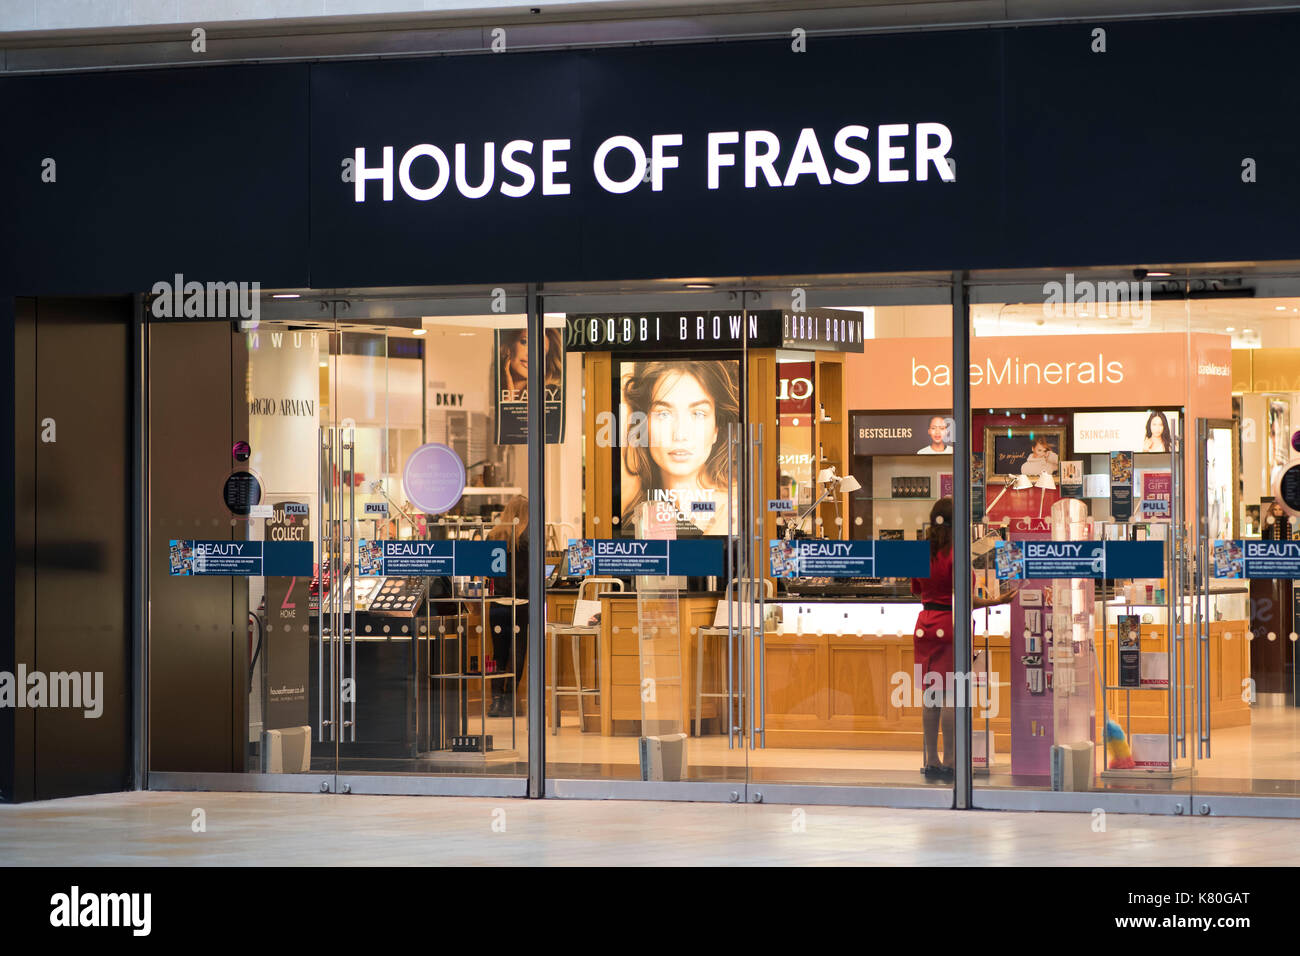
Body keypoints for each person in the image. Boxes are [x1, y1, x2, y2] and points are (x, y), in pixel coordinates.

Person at [909, 497, 1015, 782]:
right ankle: (952, 759)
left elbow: (915, 590)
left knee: (931, 696)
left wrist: (934, 596)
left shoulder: (924, 552)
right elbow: (964, 599)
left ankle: (930, 758)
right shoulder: (957, 554)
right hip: (950, 624)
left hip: (925, 625)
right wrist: (998, 600)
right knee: (951, 697)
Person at [620, 361, 740, 534]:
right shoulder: (640, 519)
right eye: (664, 414)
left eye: (698, 413)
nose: (680, 434)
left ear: (716, 429)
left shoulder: (738, 511)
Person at [487, 495, 530, 718]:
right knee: (519, 651)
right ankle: (512, 700)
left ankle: (496, 701)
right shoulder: (530, 538)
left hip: (497, 603)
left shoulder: (493, 535)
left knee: (498, 653)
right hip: (522, 603)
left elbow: (486, 571)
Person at [497, 328, 563, 400]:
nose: (531, 354)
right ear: (509, 346)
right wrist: (509, 395)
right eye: (525, 342)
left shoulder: (553, 394)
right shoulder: (491, 388)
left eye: (541, 351)